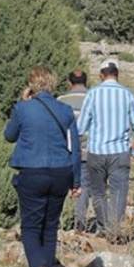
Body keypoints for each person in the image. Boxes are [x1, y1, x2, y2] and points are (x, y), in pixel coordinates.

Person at [4, 65, 82, 267]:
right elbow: (75, 148)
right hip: (60, 173)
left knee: (30, 226)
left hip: (32, 172)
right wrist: (77, 181)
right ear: (52, 83)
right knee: (50, 227)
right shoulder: (65, 110)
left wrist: (23, 103)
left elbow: (9, 136)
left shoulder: (23, 109)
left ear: (31, 85)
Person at [77, 59, 134, 239]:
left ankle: (103, 227)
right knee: (118, 190)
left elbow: (81, 127)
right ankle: (114, 229)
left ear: (101, 75)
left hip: (96, 151)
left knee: (98, 191)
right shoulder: (128, 94)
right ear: (118, 74)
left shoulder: (92, 94)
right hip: (119, 151)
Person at [57, 70, 91, 232]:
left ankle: (60, 220)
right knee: (83, 184)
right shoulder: (93, 99)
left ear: (69, 84)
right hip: (87, 150)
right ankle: (80, 222)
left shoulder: (61, 100)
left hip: (65, 150)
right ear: (86, 82)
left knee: (61, 184)